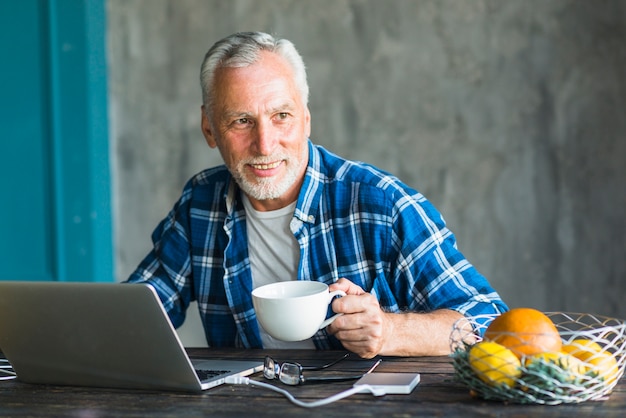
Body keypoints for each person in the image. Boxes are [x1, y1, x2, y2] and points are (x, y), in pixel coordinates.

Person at [126, 31, 508, 359]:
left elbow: (491, 323)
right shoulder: (200, 204)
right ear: (209, 129)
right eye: (241, 121)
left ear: (306, 119)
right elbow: (137, 315)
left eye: (281, 116)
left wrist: (390, 332)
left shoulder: (383, 205)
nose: (264, 143)